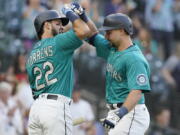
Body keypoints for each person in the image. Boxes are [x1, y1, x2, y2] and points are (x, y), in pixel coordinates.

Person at [70, 2, 151, 135]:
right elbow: (93, 35)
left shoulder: (134, 58)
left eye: (109, 32)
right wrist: (83, 17)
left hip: (132, 113)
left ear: (121, 30)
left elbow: (137, 92)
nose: (106, 36)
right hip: (119, 111)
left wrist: (120, 113)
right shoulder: (112, 47)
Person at [26, 5, 90, 135]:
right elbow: (84, 30)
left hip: (36, 110)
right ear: (47, 25)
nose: (62, 27)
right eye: (58, 23)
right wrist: (69, 13)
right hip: (55, 107)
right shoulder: (58, 42)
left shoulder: (31, 54)